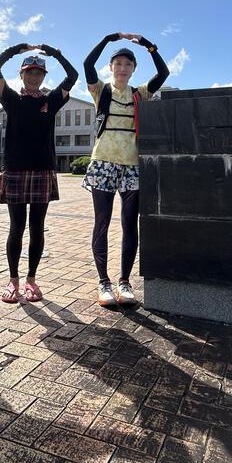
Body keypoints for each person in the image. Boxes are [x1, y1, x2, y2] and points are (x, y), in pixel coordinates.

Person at [83, 32, 170, 307]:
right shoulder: (101, 90)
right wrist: (106, 40)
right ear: (111, 67)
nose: (122, 68)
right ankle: (103, 283)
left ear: (133, 69)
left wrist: (148, 45)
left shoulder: (139, 93)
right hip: (104, 162)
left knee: (130, 223)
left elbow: (163, 72)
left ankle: (124, 282)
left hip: (132, 164)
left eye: (128, 64)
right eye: (118, 63)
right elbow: (87, 64)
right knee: (102, 222)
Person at [0, 43, 78, 303]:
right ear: (22, 75)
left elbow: (73, 76)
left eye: (38, 73)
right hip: (15, 169)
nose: (34, 77)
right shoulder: (11, 99)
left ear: (43, 77)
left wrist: (57, 53)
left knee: (37, 227)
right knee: (16, 227)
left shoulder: (51, 101)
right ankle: (13, 280)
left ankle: (31, 280)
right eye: (29, 72)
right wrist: (15, 50)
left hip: (42, 169)